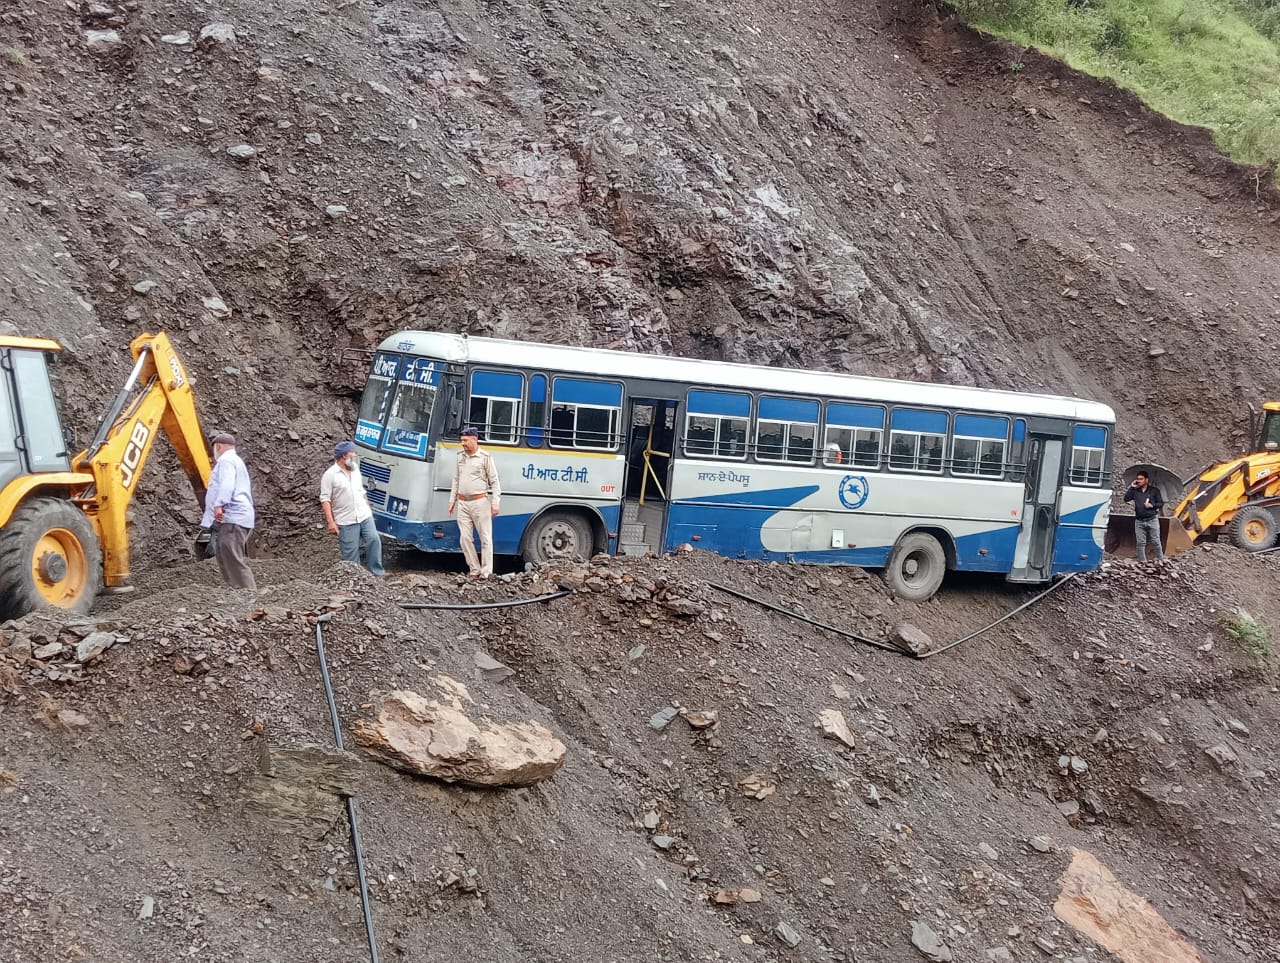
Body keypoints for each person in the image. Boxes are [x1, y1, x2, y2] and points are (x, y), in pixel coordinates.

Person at [200, 431, 256, 591]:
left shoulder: (226, 461)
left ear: (218, 446)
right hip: (235, 517)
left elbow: (227, 483)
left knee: (232, 556)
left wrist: (219, 504)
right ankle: (236, 591)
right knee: (223, 553)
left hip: (233, 517)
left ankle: (248, 593)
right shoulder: (236, 460)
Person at [320, 440, 384, 576]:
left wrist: (369, 509)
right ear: (344, 456)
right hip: (346, 519)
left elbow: (361, 490)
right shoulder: (330, 475)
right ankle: (357, 579)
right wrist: (331, 522)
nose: (355, 455)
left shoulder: (355, 469)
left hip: (364, 515)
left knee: (374, 540)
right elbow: (325, 499)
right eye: (352, 453)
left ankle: (377, 573)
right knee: (351, 552)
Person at [448, 426, 501, 579]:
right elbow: (456, 479)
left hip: (480, 502)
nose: (463, 444)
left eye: (465, 440)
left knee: (485, 538)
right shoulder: (460, 457)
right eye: (461, 441)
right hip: (463, 503)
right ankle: (474, 570)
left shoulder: (485, 457)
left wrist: (495, 502)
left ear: (474, 440)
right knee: (465, 538)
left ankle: (486, 573)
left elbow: (495, 482)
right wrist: (452, 501)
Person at [1124, 470, 1165, 562]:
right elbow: (1126, 499)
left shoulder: (1154, 491)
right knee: (1140, 542)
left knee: (1156, 541)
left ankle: (1161, 560)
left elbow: (1160, 503)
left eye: (1141, 479)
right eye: (1138, 479)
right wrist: (1131, 487)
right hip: (1139, 521)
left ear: (1146, 480)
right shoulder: (1135, 491)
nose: (1139, 481)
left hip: (1152, 519)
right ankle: (1142, 562)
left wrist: (1152, 505)